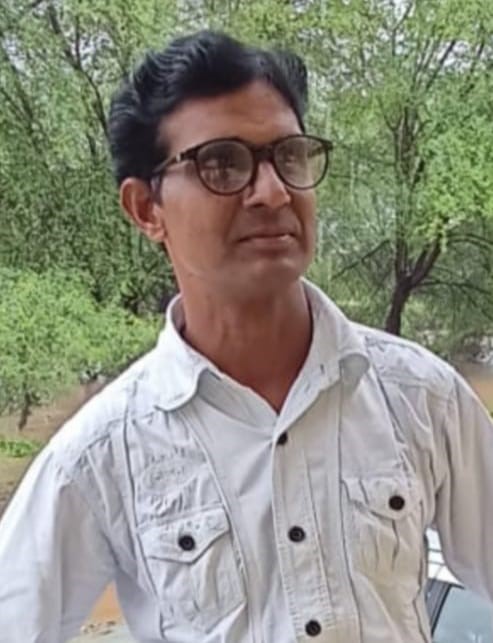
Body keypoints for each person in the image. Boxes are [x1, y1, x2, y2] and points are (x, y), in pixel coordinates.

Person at [0, 29, 492, 643]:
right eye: (222, 164)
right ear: (146, 209)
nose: (274, 191)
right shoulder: (102, 454)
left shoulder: (421, 399)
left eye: (290, 155)